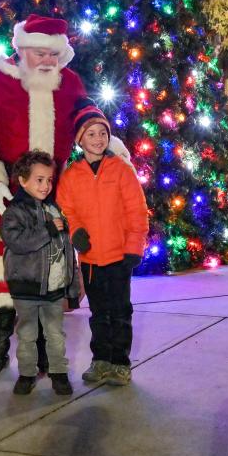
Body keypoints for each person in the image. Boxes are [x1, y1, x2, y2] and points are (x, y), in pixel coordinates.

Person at [0, 14, 131, 378]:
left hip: (52, 191)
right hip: (6, 191)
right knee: (1, 269)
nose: (46, 62)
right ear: (22, 49)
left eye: (53, 55)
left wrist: (111, 143)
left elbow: (86, 117)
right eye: (40, 53)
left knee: (47, 269)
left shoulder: (68, 82)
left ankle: (43, 347)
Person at [57, 104, 149, 386]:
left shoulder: (121, 170)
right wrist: (76, 232)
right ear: (80, 140)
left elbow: (137, 210)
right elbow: (66, 210)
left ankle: (120, 362)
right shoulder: (72, 176)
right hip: (91, 260)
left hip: (119, 257)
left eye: (103, 133)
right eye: (91, 134)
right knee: (99, 314)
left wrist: (134, 246)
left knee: (120, 312)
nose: (98, 139)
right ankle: (101, 360)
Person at [0, 150, 81, 396]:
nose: (46, 186)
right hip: (26, 287)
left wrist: (72, 283)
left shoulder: (55, 209)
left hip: (54, 288)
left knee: (55, 333)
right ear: (22, 181)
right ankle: (26, 373)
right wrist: (47, 231)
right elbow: (17, 242)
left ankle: (59, 372)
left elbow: (66, 249)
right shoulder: (15, 212)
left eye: (49, 180)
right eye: (39, 179)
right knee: (27, 334)